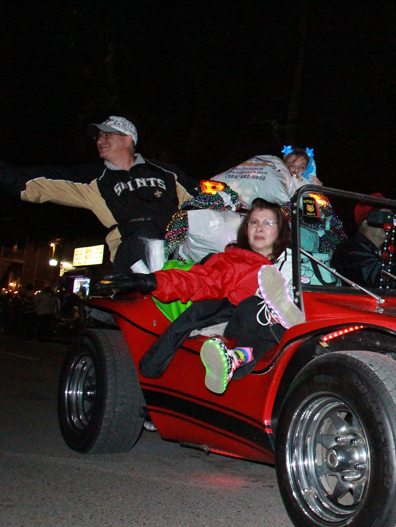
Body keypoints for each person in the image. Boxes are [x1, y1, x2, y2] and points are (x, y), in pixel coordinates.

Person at [96, 198, 304, 394]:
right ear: (246, 229)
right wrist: (150, 281)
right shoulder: (234, 261)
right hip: (238, 319)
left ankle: (236, 358)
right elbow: (200, 280)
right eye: (253, 222)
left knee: (271, 327)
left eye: (268, 222)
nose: (259, 228)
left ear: (280, 231)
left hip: (271, 336)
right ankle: (279, 314)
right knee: (253, 305)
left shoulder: (296, 262)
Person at [0, 116, 199, 272]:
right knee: (149, 247)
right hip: (132, 249)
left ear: (128, 138)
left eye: (107, 135)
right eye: (98, 137)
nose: (99, 140)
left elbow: (202, 193)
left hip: (178, 243)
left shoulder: (166, 172)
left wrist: (228, 192)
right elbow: (34, 181)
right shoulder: (93, 178)